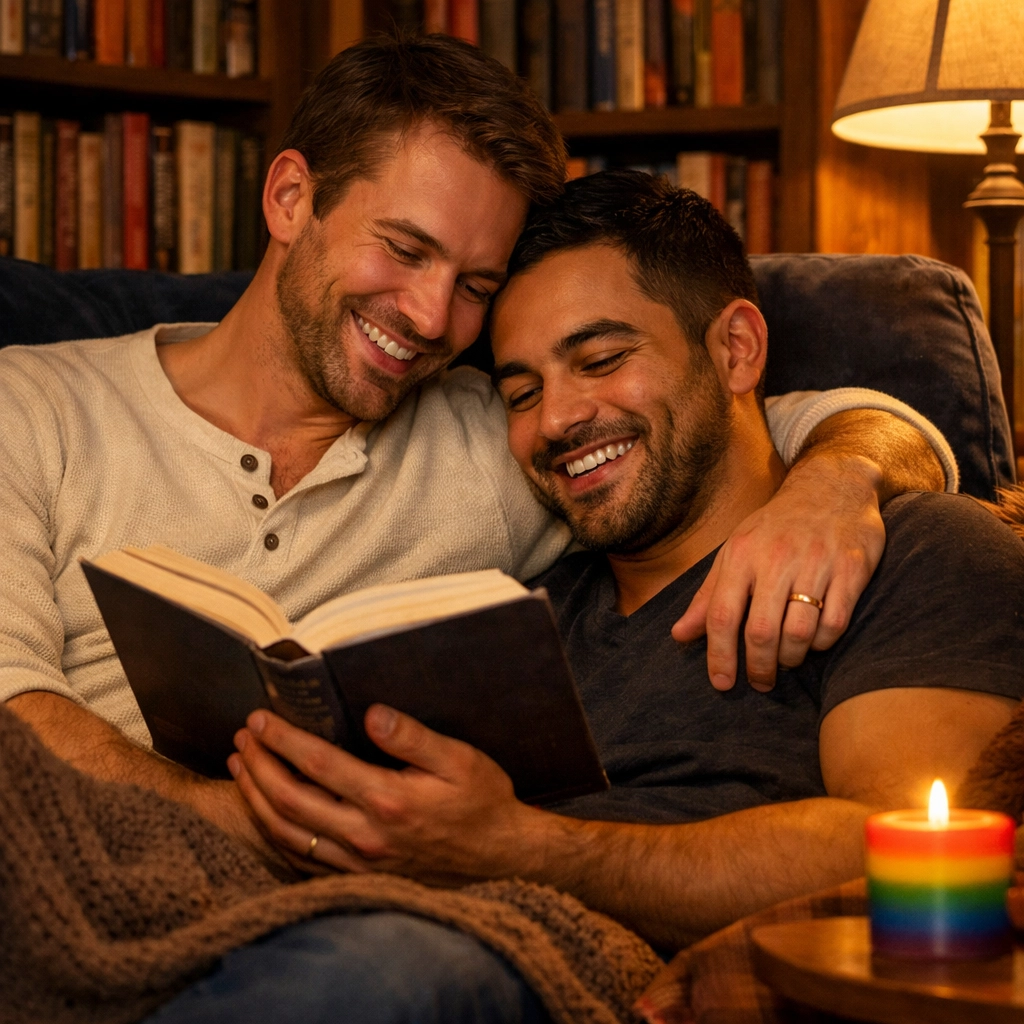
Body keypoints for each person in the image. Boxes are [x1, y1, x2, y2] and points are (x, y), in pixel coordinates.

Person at [217, 171, 1024, 1021]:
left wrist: (519, 849)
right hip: (397, 922)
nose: (558, 420)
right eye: (520, 393)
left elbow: (896, 853)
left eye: (601, 360)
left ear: (736, 350)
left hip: (584, 967)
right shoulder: (524, 609)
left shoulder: (920, 550)